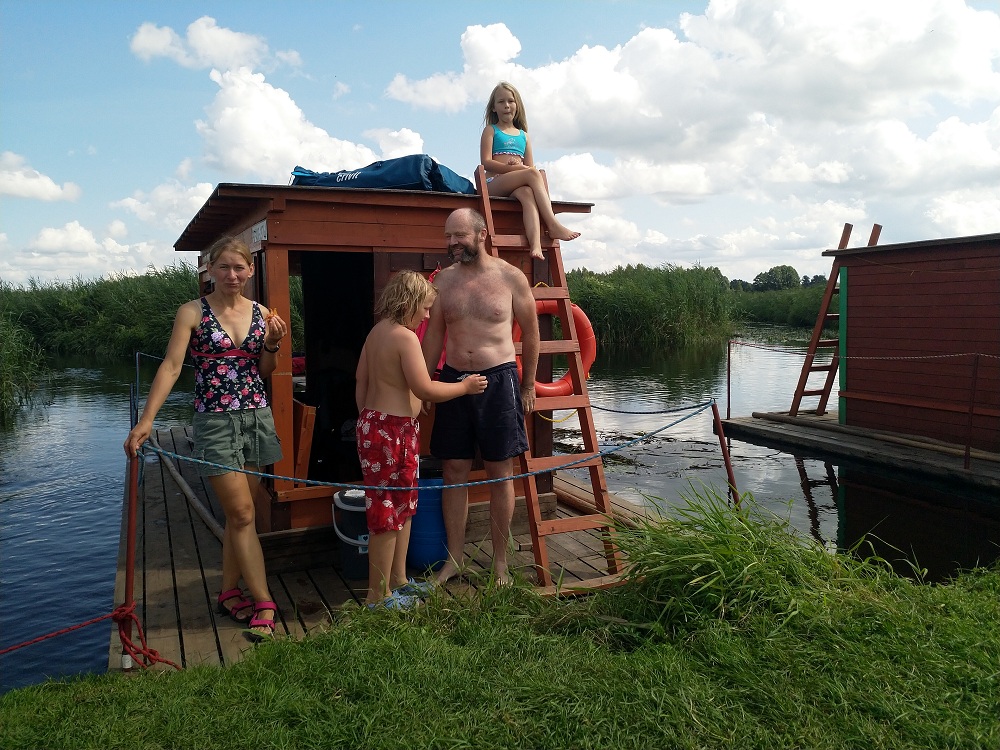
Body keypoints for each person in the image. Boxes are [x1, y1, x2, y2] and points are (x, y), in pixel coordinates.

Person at [124, 236, 285, 642]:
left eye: (239, 268)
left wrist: (272, 342)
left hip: (255, 417)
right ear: (210, 270)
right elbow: (171, 366)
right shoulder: (192, 312)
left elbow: (265, 370)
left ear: (250, 271)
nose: (232, 275)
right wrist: (147, 421)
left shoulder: (262, 312)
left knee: (238, 516)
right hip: (214, 422)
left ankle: (229, 593)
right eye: (224, 267)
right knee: (244, 514)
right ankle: (264, 601)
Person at [420, 207, 540, 585]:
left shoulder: (510, 277)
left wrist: (528, 385)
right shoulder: (443, 281)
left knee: (499, 472)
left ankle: (500, 563)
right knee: (453, 470)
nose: (452, 242)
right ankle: (454, 559)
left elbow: (532, 334)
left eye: (459, 235)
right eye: (447, 236)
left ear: (481, 234)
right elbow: (434, 336)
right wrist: (423, 385)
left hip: (499, 380)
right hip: (454, 380)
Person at [355, 270, 488, 606]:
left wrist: (369, 420)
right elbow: (424, 388)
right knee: (387, 514)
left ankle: (398, 580)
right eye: (425, 307)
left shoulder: (376, 332)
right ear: (409, 302)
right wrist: (464, 387)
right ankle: (377, 596)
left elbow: (361, 380)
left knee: (402, 507)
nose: (428, 315)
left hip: (379, 427)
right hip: (392, 432)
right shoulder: (405, 338)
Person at [480, 81, 580, 260]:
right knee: (534, 174)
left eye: (511, 101)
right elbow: (486, 162)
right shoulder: (491, 130)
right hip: (494, 183)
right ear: (494, 107)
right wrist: (511, 168)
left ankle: (535, 246)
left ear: (517, 105)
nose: (506, 105)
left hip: (516, 183)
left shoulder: (524, 136)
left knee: (527, 192)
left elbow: (529, 166)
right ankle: (552, 224)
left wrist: (520, 168)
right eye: (501, 102)